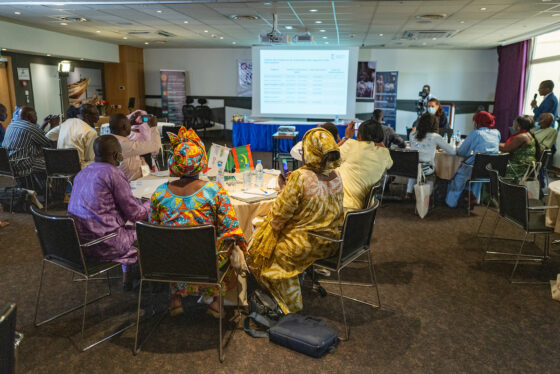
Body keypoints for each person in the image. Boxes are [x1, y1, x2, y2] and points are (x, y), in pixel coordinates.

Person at [149, 127, 247, 317]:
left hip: (170, 263)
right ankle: (217, 302)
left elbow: (154, 230)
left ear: (173, 162)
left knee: (171, 244)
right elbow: (230, 228)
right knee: (230, 243)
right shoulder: (215, 192)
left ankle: (175, 298)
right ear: (202, 161)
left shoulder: (159, 193)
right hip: (207, 263)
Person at [247, 127, 344, 314]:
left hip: (304, 246)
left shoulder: (300, 176)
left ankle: (289, 303)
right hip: (331, 241)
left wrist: (285, 190)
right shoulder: (336, 175)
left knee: (259, 250)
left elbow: (278, 217)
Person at [68, 135, 149, 289]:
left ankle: (127, 277)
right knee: (145, 228)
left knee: (122, 224)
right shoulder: (114, 174)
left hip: (79, 244)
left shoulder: (81, 173)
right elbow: (135, 214)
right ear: (116, 155)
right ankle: (152, 280)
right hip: (105, 244)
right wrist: (152, 202)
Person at [445, 111, 501, 208]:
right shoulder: (497, 133)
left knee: (458, 175)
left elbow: (462, 152)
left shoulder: (476, 133)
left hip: (474, 167)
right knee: (477, 175)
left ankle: (451, 203)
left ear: (477, 122)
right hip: (491, 170)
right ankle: (473, 198)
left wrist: (457, 147)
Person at [338, 119, 393, 211]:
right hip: (365, 208)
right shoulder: (384, 154)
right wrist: (379, 140)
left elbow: (330, 155)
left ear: (359, 134)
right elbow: (390, 164)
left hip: (342, 205)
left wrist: (346, 137)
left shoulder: (351, 145)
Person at [1, 106, 58, 194]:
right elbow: (49, 143)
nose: (36, 117)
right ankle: (52, 195)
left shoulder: (11, 125)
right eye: (35, 115)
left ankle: (41, 192)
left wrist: (43, 124)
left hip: (10, 166)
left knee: (41, 160)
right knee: (53, 164)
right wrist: (54, 126)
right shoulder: (30, 127)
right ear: (29, 117)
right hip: (24, 165)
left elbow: (36, 136)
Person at [407, 113, 455, 197]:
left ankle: (409, 192)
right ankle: (427, 195)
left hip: (412, 167)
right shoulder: (435, 137)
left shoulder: (412, 134)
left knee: (416, 167)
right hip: (427, 169)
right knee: (432, 174)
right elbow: (452, 152)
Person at [109, 113, 161, 181]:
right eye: (128, 123)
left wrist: (129, 124)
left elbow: (121, 129)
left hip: (133, 178)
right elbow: (156, 145)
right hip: (131, 184)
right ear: (124, 127)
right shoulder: (124, 145)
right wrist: (153, 127)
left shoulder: (111, 140)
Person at [46, 103, 98, 169]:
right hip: (78, 168)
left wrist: (57, 150)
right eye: (96, 114)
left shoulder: (67, 122)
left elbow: (49, 135)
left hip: (59, 166)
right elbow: (89, 158)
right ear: (87, 116)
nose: (98, 116)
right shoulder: (91, 132)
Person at [500, 115, 540, 182]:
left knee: (495, 166)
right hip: (525, 165)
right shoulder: (527, 134)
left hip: (519, 167)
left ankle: (503, 188)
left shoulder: (522, 136)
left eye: (515, 122)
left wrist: (492, 143)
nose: (513, 123)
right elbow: (508, 145)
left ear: (519, 125)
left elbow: (506, 148)